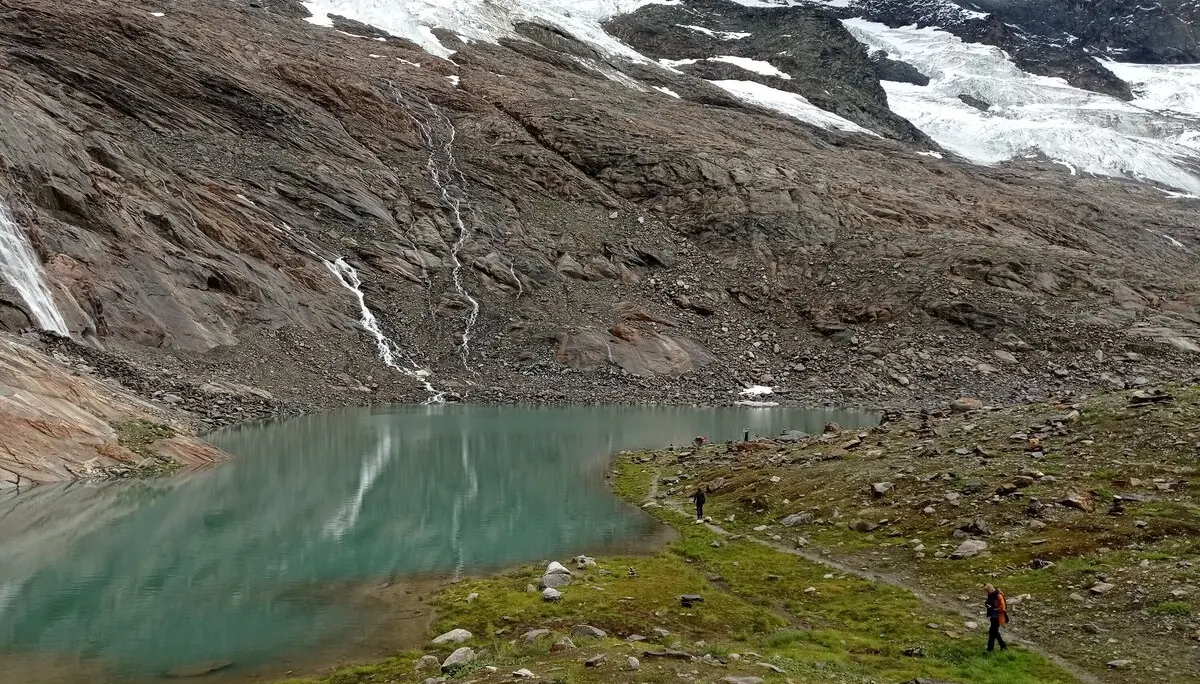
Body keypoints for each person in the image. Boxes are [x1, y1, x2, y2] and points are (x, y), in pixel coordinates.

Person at [985, 583, 1008, 652]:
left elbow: (1003, 607)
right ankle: (1003, 646)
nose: (987, 592)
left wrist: (995, 609)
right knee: (995, 632)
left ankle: (990, 649)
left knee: (992, 632)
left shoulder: (998, 596)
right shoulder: (991, 595)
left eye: (987, 591)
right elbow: (989, 602)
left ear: (990, 589)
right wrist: (986, 604)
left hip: (997, 617)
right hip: (993, 617)